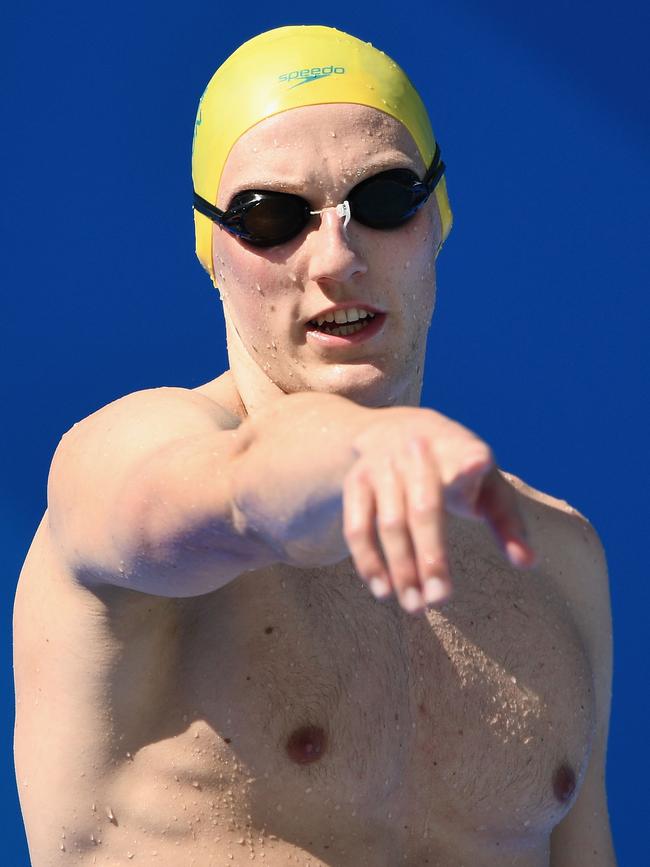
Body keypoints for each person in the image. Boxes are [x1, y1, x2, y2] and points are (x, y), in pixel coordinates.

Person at [14, 25, 616, 867]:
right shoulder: (124, 459)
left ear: (437, 220)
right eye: (271, 217)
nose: (335, 256)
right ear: (212, 252)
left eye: (382, 199)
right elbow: (213, 494)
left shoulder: (555, 557)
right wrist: (343, 459)